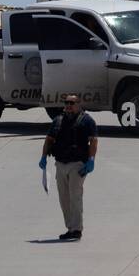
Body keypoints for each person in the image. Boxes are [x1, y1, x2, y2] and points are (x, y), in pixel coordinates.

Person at [40, 94, 98, 241]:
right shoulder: (58, 121)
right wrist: (43, 157)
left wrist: (91, 160)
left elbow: (93, 141)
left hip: (77, 165)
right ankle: (70, 228)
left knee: (75, 196)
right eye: (66, 103)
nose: (68, 105)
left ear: (79, 104)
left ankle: (77, 229)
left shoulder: (87, 121)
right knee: (64, 198)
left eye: (71, 103)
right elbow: (49, 140)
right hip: (60, 163)